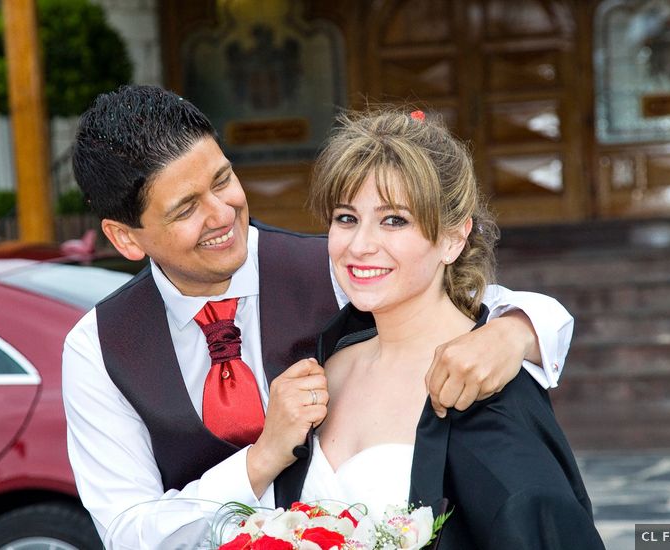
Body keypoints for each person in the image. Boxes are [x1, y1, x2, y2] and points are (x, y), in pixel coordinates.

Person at [62, 85, 575, 548]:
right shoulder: (98, 348)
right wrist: (262, 459)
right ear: (125, 237)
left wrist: (512, 331)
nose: (221, 214)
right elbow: (129, 533)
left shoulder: (337, 265)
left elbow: (449, 289)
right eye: (185, 208)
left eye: (223, 180)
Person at [293, 109, 603, 548]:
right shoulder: (326, 365)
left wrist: (518, 331)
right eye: (346, 218)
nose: (359, 246)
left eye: (394, 220)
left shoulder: (482, 381)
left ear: (453, 239)